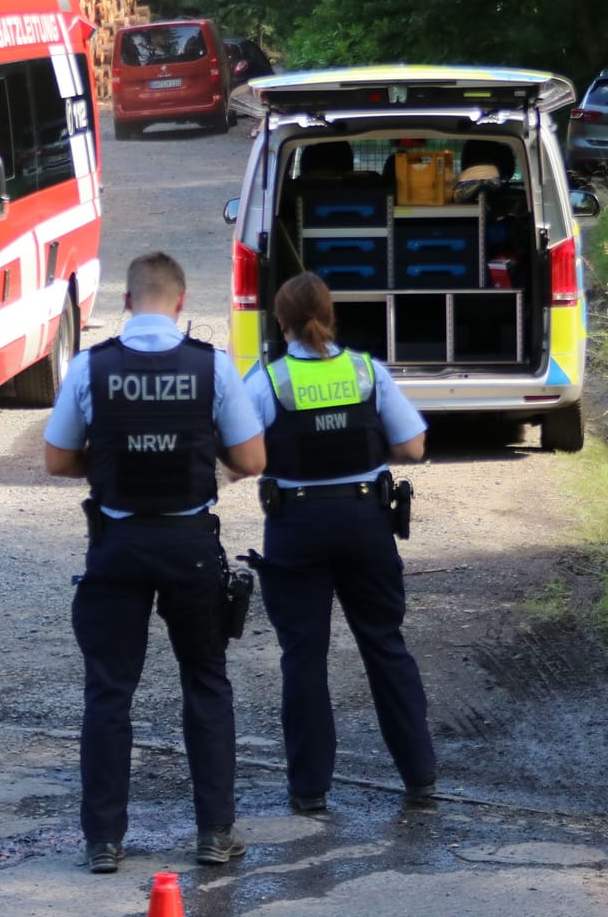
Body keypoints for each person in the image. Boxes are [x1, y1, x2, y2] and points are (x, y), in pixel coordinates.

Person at [44, 252, 267, 875]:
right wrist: (198, 450)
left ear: (126, 300)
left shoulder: (92, 365)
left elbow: (58, 461)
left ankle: (104, 842)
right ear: (180, 300)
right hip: (190, 547)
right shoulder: (211, 366)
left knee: (109, 693)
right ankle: (215, 834)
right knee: (206, 682)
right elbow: (251, 458)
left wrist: (112, 458)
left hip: (116, 547)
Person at [244, 272, 435, 815]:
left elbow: (243, 459)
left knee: (303, 656)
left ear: (280, 324)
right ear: (331, 316)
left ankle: (309, 790)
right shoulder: (366, 371)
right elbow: (414, 445)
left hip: (296, 527)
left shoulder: (268, 381)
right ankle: (420, 777)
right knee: (384, 644)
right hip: (364, 520)